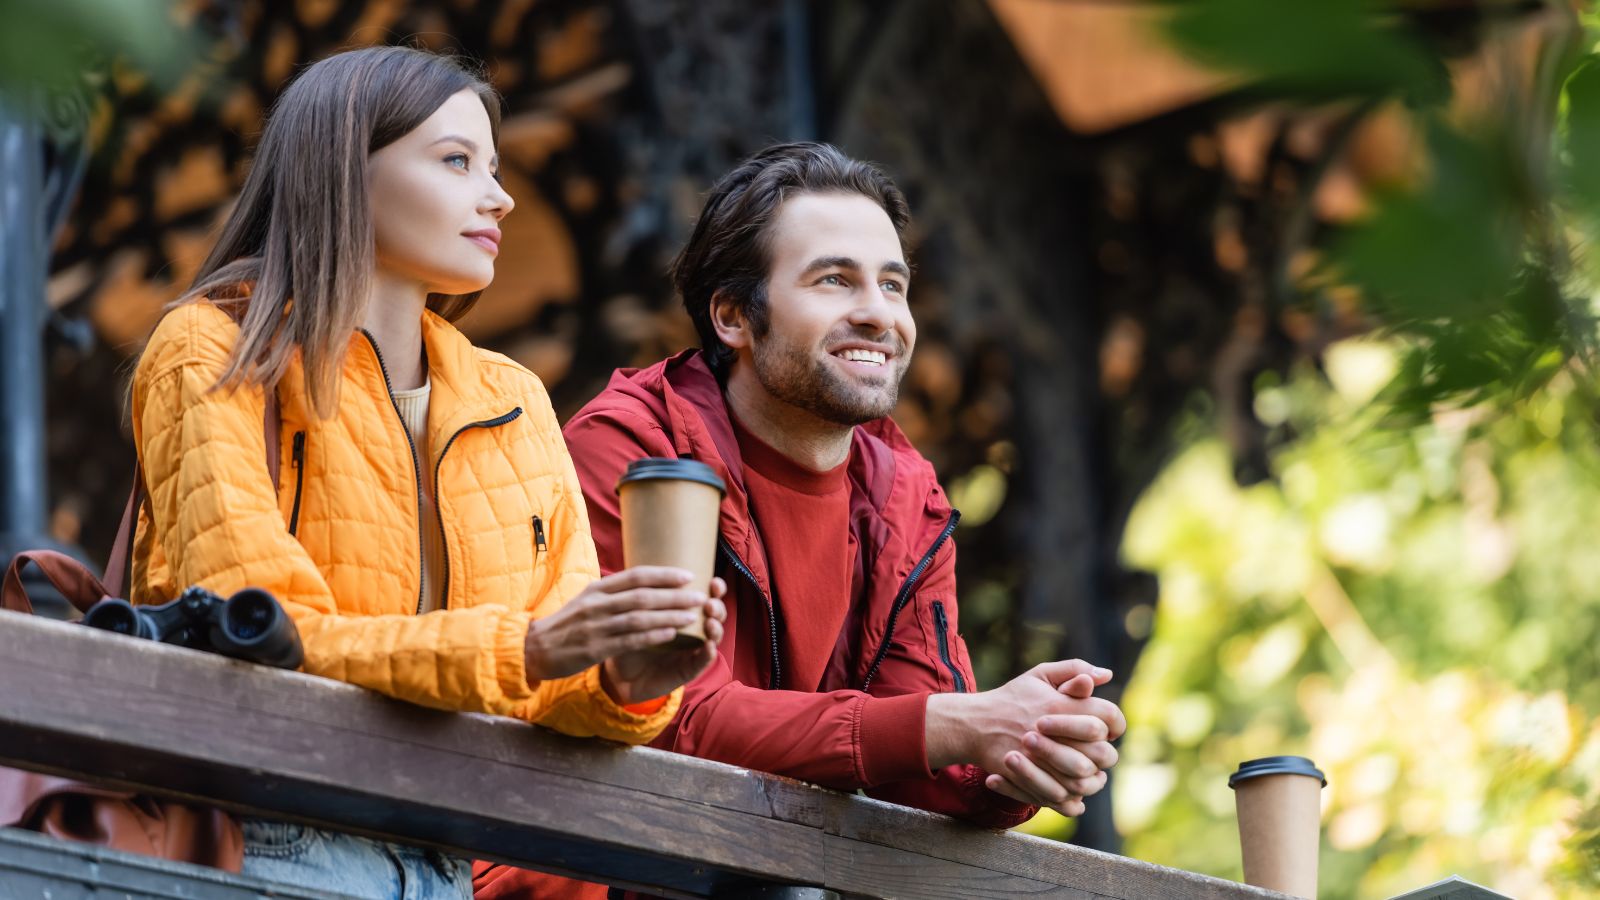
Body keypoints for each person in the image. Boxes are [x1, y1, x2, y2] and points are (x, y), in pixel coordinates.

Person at [127, 46, 725, 899]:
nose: (500, 194)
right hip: (260, 842)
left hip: (445, 863)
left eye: (494, 165)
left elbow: (550, 674)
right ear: (344, 171)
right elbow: (257, 630)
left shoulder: (514, 397)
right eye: (457, 162)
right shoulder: (213, 348)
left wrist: (629, 679)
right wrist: (529, 648)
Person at [473, 143, 1124, 900]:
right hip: (602, 876)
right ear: (732, 316)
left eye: (893, 285)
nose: (878, 314)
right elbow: (672, 717)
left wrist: (1014, 760)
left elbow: (922, 765)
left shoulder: (904, 500)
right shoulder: (634, 447)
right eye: (833, 280)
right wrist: (958, 724)